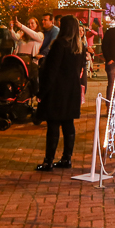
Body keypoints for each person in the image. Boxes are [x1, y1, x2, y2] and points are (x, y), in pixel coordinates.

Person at [35, 15, 85, 171]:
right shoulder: (79, 46)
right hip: (73, 90)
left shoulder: (59, 45)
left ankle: (48, 160)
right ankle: (66, 158)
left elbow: (52, 71)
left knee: (53, 125)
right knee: (68, 124)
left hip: (57, 90)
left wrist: (41, 92)